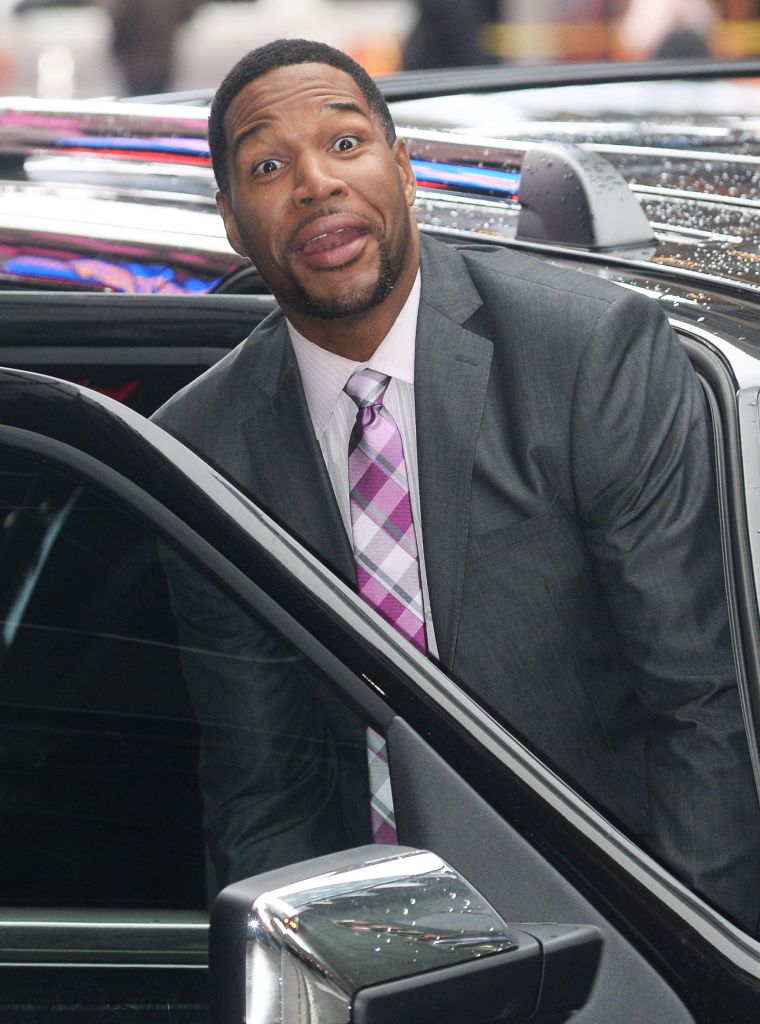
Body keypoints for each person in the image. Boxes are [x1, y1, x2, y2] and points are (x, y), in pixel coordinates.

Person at [154, 38, 760, 931]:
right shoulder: (202, 446)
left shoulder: (585, 357)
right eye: (269, 164)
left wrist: (689, 970)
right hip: (374, 941)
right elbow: (261, 789)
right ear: (234, 222)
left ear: (402, 170)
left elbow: (702, 711)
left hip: (614, 928)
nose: (316, 182)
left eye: (347, 144)